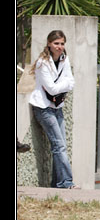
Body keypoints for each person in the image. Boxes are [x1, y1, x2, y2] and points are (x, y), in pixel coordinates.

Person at [28, 30, 77, 188]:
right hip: (43, 108)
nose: (59, 47)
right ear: (49, 44)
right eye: (56, 43)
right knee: (59, 145)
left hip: (57, 107)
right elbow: (51, 89)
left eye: (62, 43)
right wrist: (65, 85)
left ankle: (58, 182)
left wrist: (62, 85)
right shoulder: (43, 63)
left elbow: (72, 81)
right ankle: (66, 182)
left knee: (61, 145)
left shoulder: (64, 59)